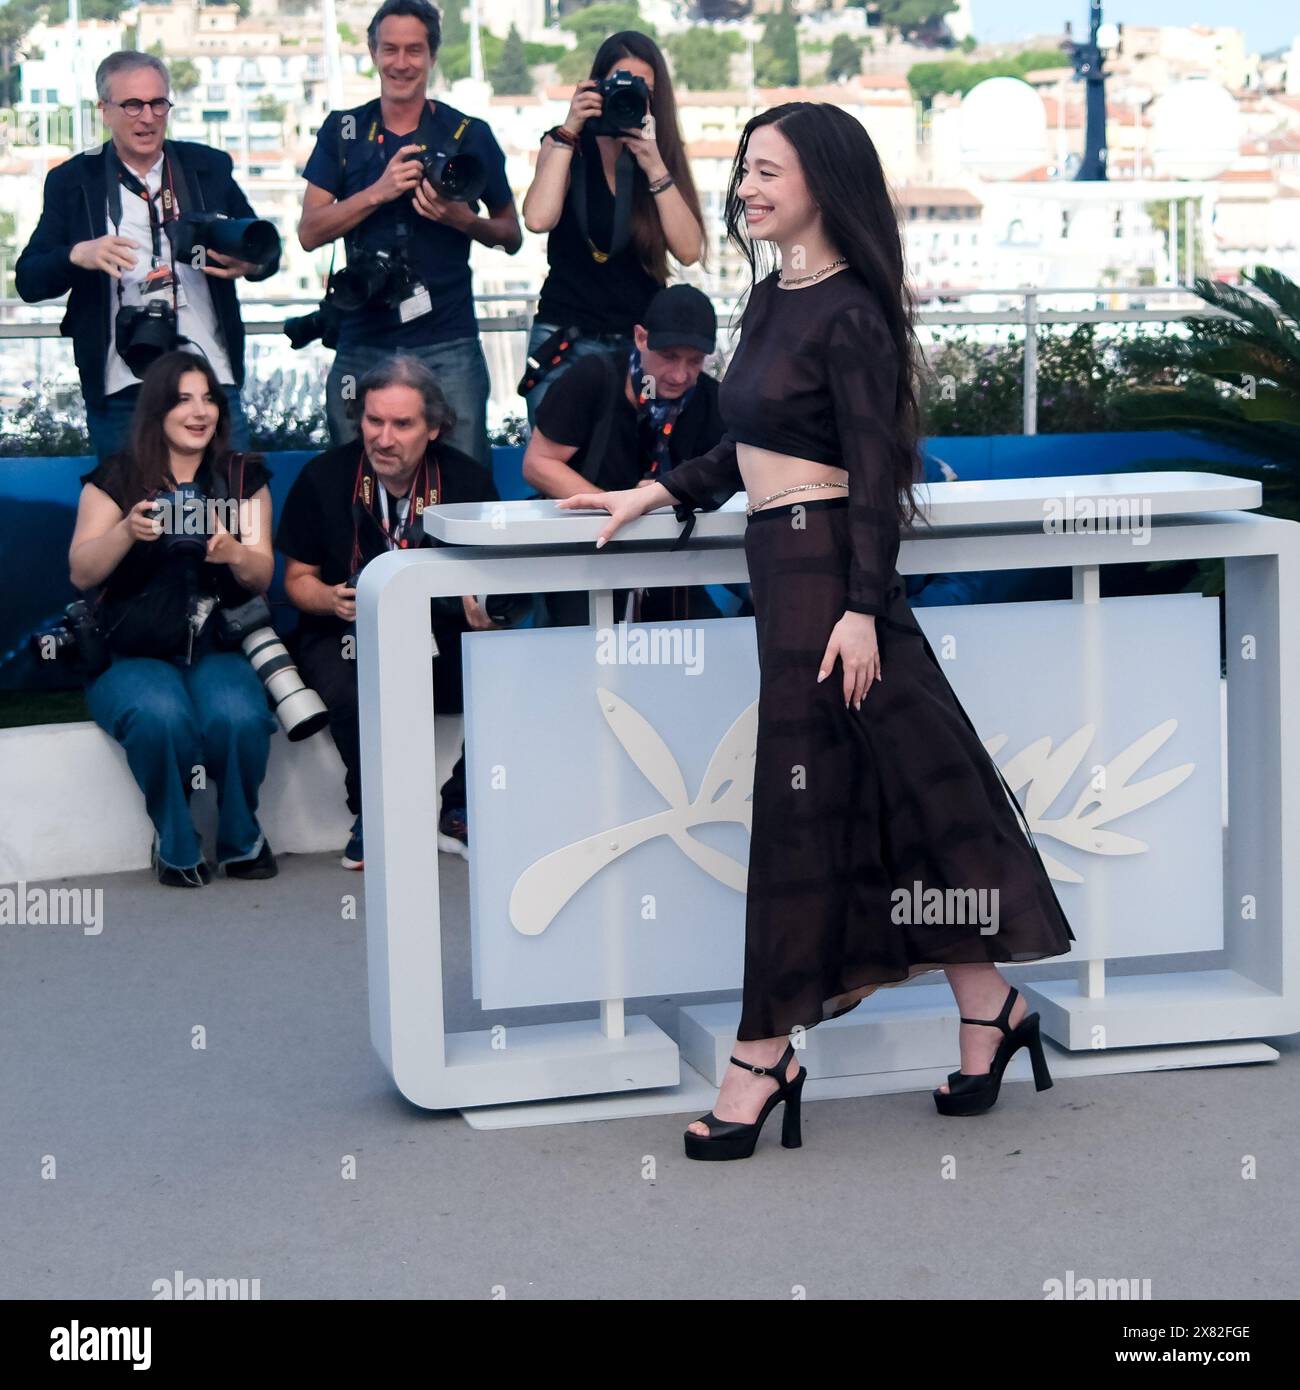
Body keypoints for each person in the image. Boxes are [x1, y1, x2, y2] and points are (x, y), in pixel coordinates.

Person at [558, 103, 1077, 1160]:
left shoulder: (851, 313)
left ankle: (761, 1054)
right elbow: (747, 450)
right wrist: (650, 493)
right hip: (783, 570)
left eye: (766, 171)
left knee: (809, 821)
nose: (745, 188)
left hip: (832, 584)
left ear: (822, 182)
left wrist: (859, 607)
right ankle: (991, 1009)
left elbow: (875, 475)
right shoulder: (769, 295)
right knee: (898, 800)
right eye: (743, 169)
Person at [275, 355, 506, 869]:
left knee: (507, 670)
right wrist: (330, 598)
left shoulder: (466, 483)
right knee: (350, 686)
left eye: (402, 424)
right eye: (374, 421)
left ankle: (460, 806)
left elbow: (489, 580)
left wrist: (480, 607)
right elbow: (296, 581)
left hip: (437, 633)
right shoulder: (324, 477)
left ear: (435, 428)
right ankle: (373, 815)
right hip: (345, 630)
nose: (383, 438)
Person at [69, 351, 278, 886]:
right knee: (161, 718)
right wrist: (125, 534)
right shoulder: (119, 476)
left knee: (237, 717)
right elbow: (81, 572)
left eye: (209, 398)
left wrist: (235, 552)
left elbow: (261, 576)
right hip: (134, 649)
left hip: (218, 646)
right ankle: (175, 839)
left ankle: (242, 837)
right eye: (184, 399)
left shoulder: (241, 476)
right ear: (158, 408)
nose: (200, 411)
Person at [15, 51, 279, 463]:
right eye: (133, 105)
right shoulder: (73, 180)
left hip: (211, 378)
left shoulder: (206, 167)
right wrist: (77, 254)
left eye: (158, 103)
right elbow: (29, 280)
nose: (148, 117)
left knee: (233, 506)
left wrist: (251, 265)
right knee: (133, 514)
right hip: (123, 381)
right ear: (104, 110)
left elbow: (263, 249)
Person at [298, 0, 521, 464]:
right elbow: (309, 232)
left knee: (465, 479)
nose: (401, 63)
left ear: (432, 56)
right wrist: (377, 192)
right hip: (362, 336)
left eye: (414, 50)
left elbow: (510, 233)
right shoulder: (344, 131)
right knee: (350, 477)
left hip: (449, 336)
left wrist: (463, 220)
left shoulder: (468, 133)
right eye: (390, 49)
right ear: (373, 53)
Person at [520, 30, 705, 424]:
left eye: (644, 90)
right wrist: (569, 130)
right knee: (556, 466)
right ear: (595, 87)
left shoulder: (661, 153)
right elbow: (538, 219)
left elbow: (689, 250)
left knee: (627, 470)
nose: (630, 97)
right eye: (618, 85)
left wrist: (653, 164)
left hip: (639, 345)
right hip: (564, 337)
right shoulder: (565, 145)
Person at [523, 282, 733, 625]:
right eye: (668, 357)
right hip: (586, 549)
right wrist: (616, 505)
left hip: (671, 558)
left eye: (695, 362)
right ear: (640, 337)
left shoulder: (713, 400)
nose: (680, 375)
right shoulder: (593, 377)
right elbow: (537, 464)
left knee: (706, 638)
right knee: (578, 650)